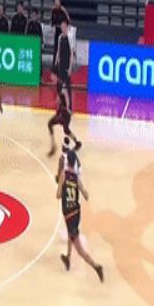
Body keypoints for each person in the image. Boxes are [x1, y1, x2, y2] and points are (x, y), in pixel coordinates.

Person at [57, 150, 104, 283]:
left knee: (80, 249)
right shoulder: (76, 177)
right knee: (70, 233)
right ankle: (67, 258)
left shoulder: (63, 175)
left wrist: (63, 187)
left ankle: (96, 266)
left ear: (67, 162)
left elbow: (58, 195)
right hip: (76, 213)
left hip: (69, 214)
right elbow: (86, 195)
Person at [47, 87, 81, 157]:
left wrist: (66, 110)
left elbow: (66, 103)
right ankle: (54, 146)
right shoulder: (61, 91)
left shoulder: (63, 91)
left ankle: (54, 146)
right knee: (62, 128)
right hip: (63, 114)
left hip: (65, 115)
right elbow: (60, 102)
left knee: (64, 129)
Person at [51, 0, 70, 68]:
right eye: (55, 1)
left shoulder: (63, 10)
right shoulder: (53, 10)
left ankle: (62, 65)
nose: (56, 3)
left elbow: (68, 21)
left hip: (62, 32)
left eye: (57, 1)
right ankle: (55, 65)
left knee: (62, 49)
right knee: (56, 48)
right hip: (56, 31)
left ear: (60, 2)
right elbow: (52, 22)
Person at [55, 20, 73, 97]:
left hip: (67, 62)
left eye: (64, 27)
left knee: (67, 83)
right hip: (61, 62)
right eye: (61, 27)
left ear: (66, 27)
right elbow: (58, 50)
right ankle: (59, 98)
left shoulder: (70, 38)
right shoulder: (60, 37)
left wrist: (70, 67)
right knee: (59, 82)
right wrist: (56, 61)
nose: (62, 28)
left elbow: (71, 53)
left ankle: (69, 101)